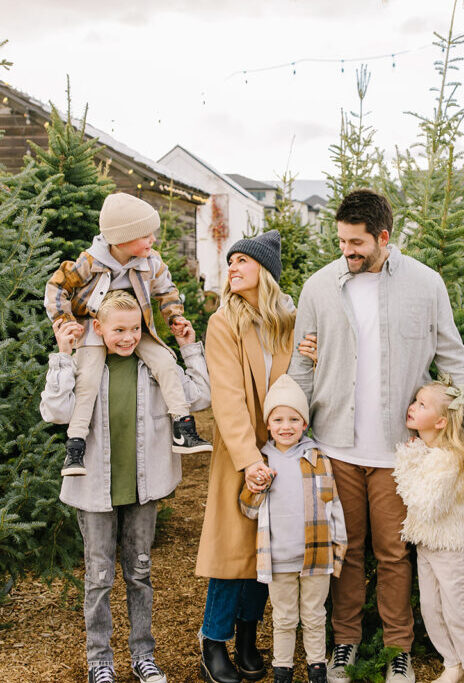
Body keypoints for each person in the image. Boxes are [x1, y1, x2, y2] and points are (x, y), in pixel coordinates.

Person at [287, 189, 464, 683]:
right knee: (347, 550)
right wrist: (291, 439)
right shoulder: (319, 287)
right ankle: (346, 643)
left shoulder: (426, 285)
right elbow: (300, 367)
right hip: (336, 445)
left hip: (396, 455)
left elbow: (454, 358)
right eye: (341, 241)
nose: (347, 251)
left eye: (357, 242)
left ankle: (398, 649)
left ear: (384, 237)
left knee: (393, 552)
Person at [40, 290, 211, 683]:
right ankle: (99, 660)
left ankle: (143, 654)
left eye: (135, 328)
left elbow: (199, 397)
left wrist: (188, 348)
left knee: (140, 574)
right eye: (118, 330)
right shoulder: (86, 364)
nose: (127, 337)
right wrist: (62, 356)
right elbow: (55, 411)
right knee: (99, 578)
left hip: (141, 488)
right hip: (94, 490)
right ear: (98, 328)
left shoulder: (154, 365)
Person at [195, 230, 316, 683]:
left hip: (283, 448)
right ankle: (214, 640)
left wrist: (315, 355)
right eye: (231, 262)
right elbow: (226, 398)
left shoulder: (289, 320)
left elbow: (301, 382)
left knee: (269, 549)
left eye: (243, 261)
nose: (233, 268)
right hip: (241, 452)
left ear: (263, 271)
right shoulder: (223, 322)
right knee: (233, 551)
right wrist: (249, 460)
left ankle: (248, 637)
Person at [44, 192, 211, 478]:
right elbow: (56, 288)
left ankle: (183, 427)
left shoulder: (150, 261)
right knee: (88, 379)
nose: (153, 240)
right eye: (146, 235)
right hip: (96, 327)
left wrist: (175, 316)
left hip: (135, 327)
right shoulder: (89, 262)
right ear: (121, 239)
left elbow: (166, 290)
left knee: (165, 362)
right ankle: (75, 445)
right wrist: (65, 321)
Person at [239, 374, 347, 683]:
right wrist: (257, 487)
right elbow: (247, 509)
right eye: (278, 419)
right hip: (278, 558)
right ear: (268, 424)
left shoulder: (317, 458)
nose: (286, 426)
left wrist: (339, 548)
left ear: (304, 423)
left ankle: (317, 668)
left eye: (294, 419)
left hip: (316, 557)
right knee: (284, 618)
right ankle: (282, 669)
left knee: (314, 616)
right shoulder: (260, 462)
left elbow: (333, 504)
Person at [393, 381, 464, 683]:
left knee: (456, 610)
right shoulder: (423, 449)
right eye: (415, 400)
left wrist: (407, 463)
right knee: (430, 609)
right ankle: (452, 663)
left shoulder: (449, 458)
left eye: (422, 404)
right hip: (428, 543)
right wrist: (412, 457)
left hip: (452, 545)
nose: (412, 406)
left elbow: (426, 504)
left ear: (440, 422)